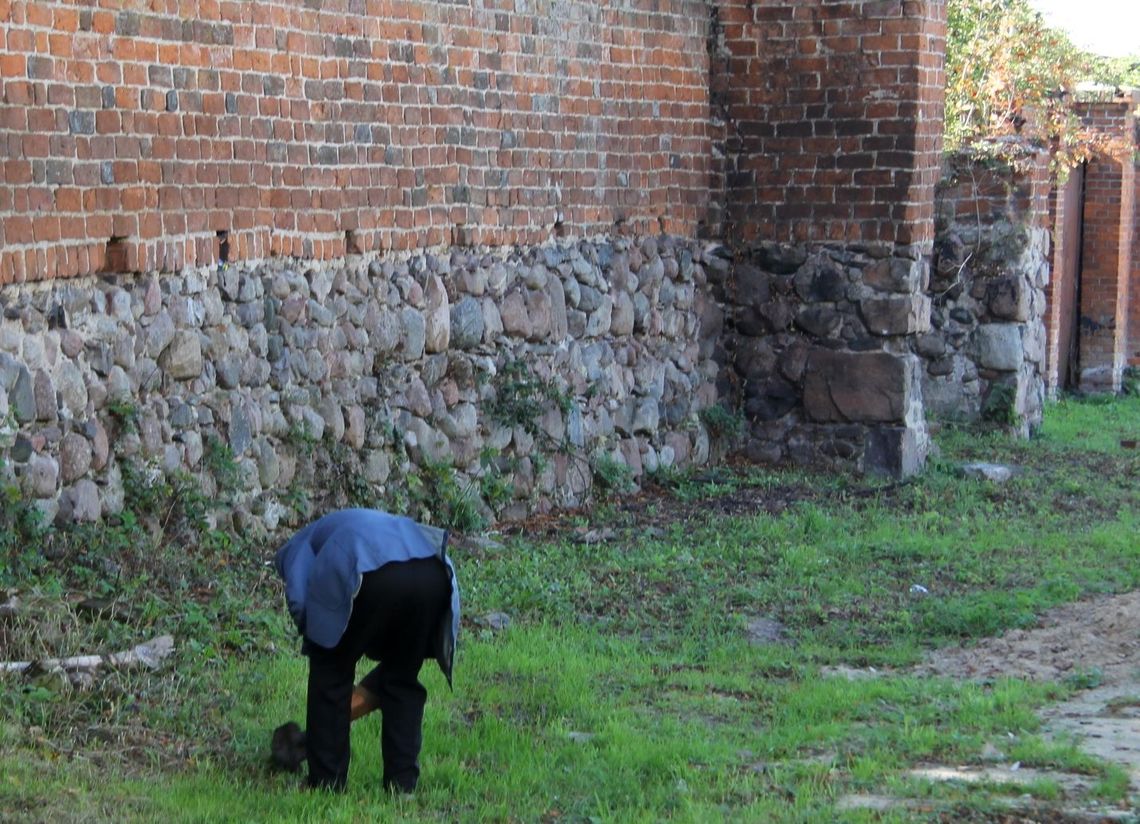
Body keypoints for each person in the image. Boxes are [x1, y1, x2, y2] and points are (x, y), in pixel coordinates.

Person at [273, 508, 460, 793]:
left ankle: (326, 783)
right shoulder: (356, 522)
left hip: (369, 570)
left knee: (331, 671)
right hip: (434, 572)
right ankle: (402, 785)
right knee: (402, 677)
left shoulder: (297, 546)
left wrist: (317, 640)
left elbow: (301, 598)